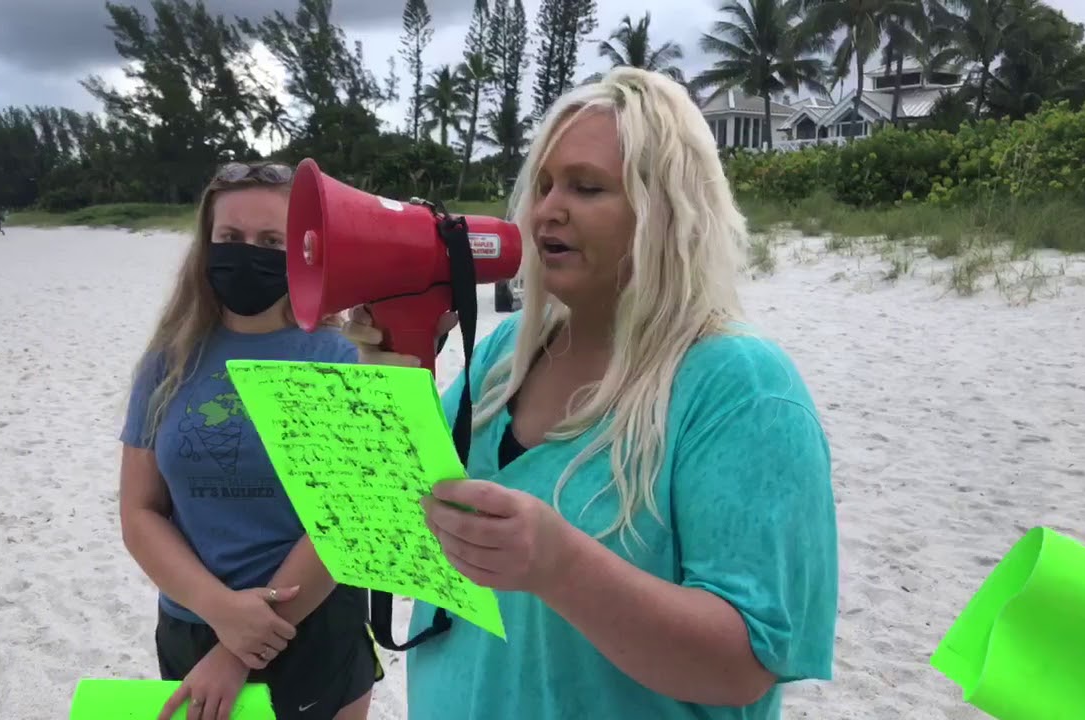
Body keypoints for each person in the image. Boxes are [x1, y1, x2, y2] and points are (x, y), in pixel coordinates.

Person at [342, 67, 838, 720]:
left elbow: (748, 661)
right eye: (543, 184)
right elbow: (390, 533)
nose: (548, 207)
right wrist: (389, 375)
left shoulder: (740, 387)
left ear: (666, 209)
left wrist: (560, 566)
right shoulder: (506, 353)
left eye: (586, 186)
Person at [119, 161, 381, 720]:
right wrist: (220, 613)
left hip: (312, 626)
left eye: (271, 241)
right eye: (231, 238)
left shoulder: (339, 360)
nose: (249, 254)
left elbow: (346, 523)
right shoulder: (168, 361)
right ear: (206, 245)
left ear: (303, 252)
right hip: (191, 623)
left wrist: (241, 648)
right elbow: (140, 511)